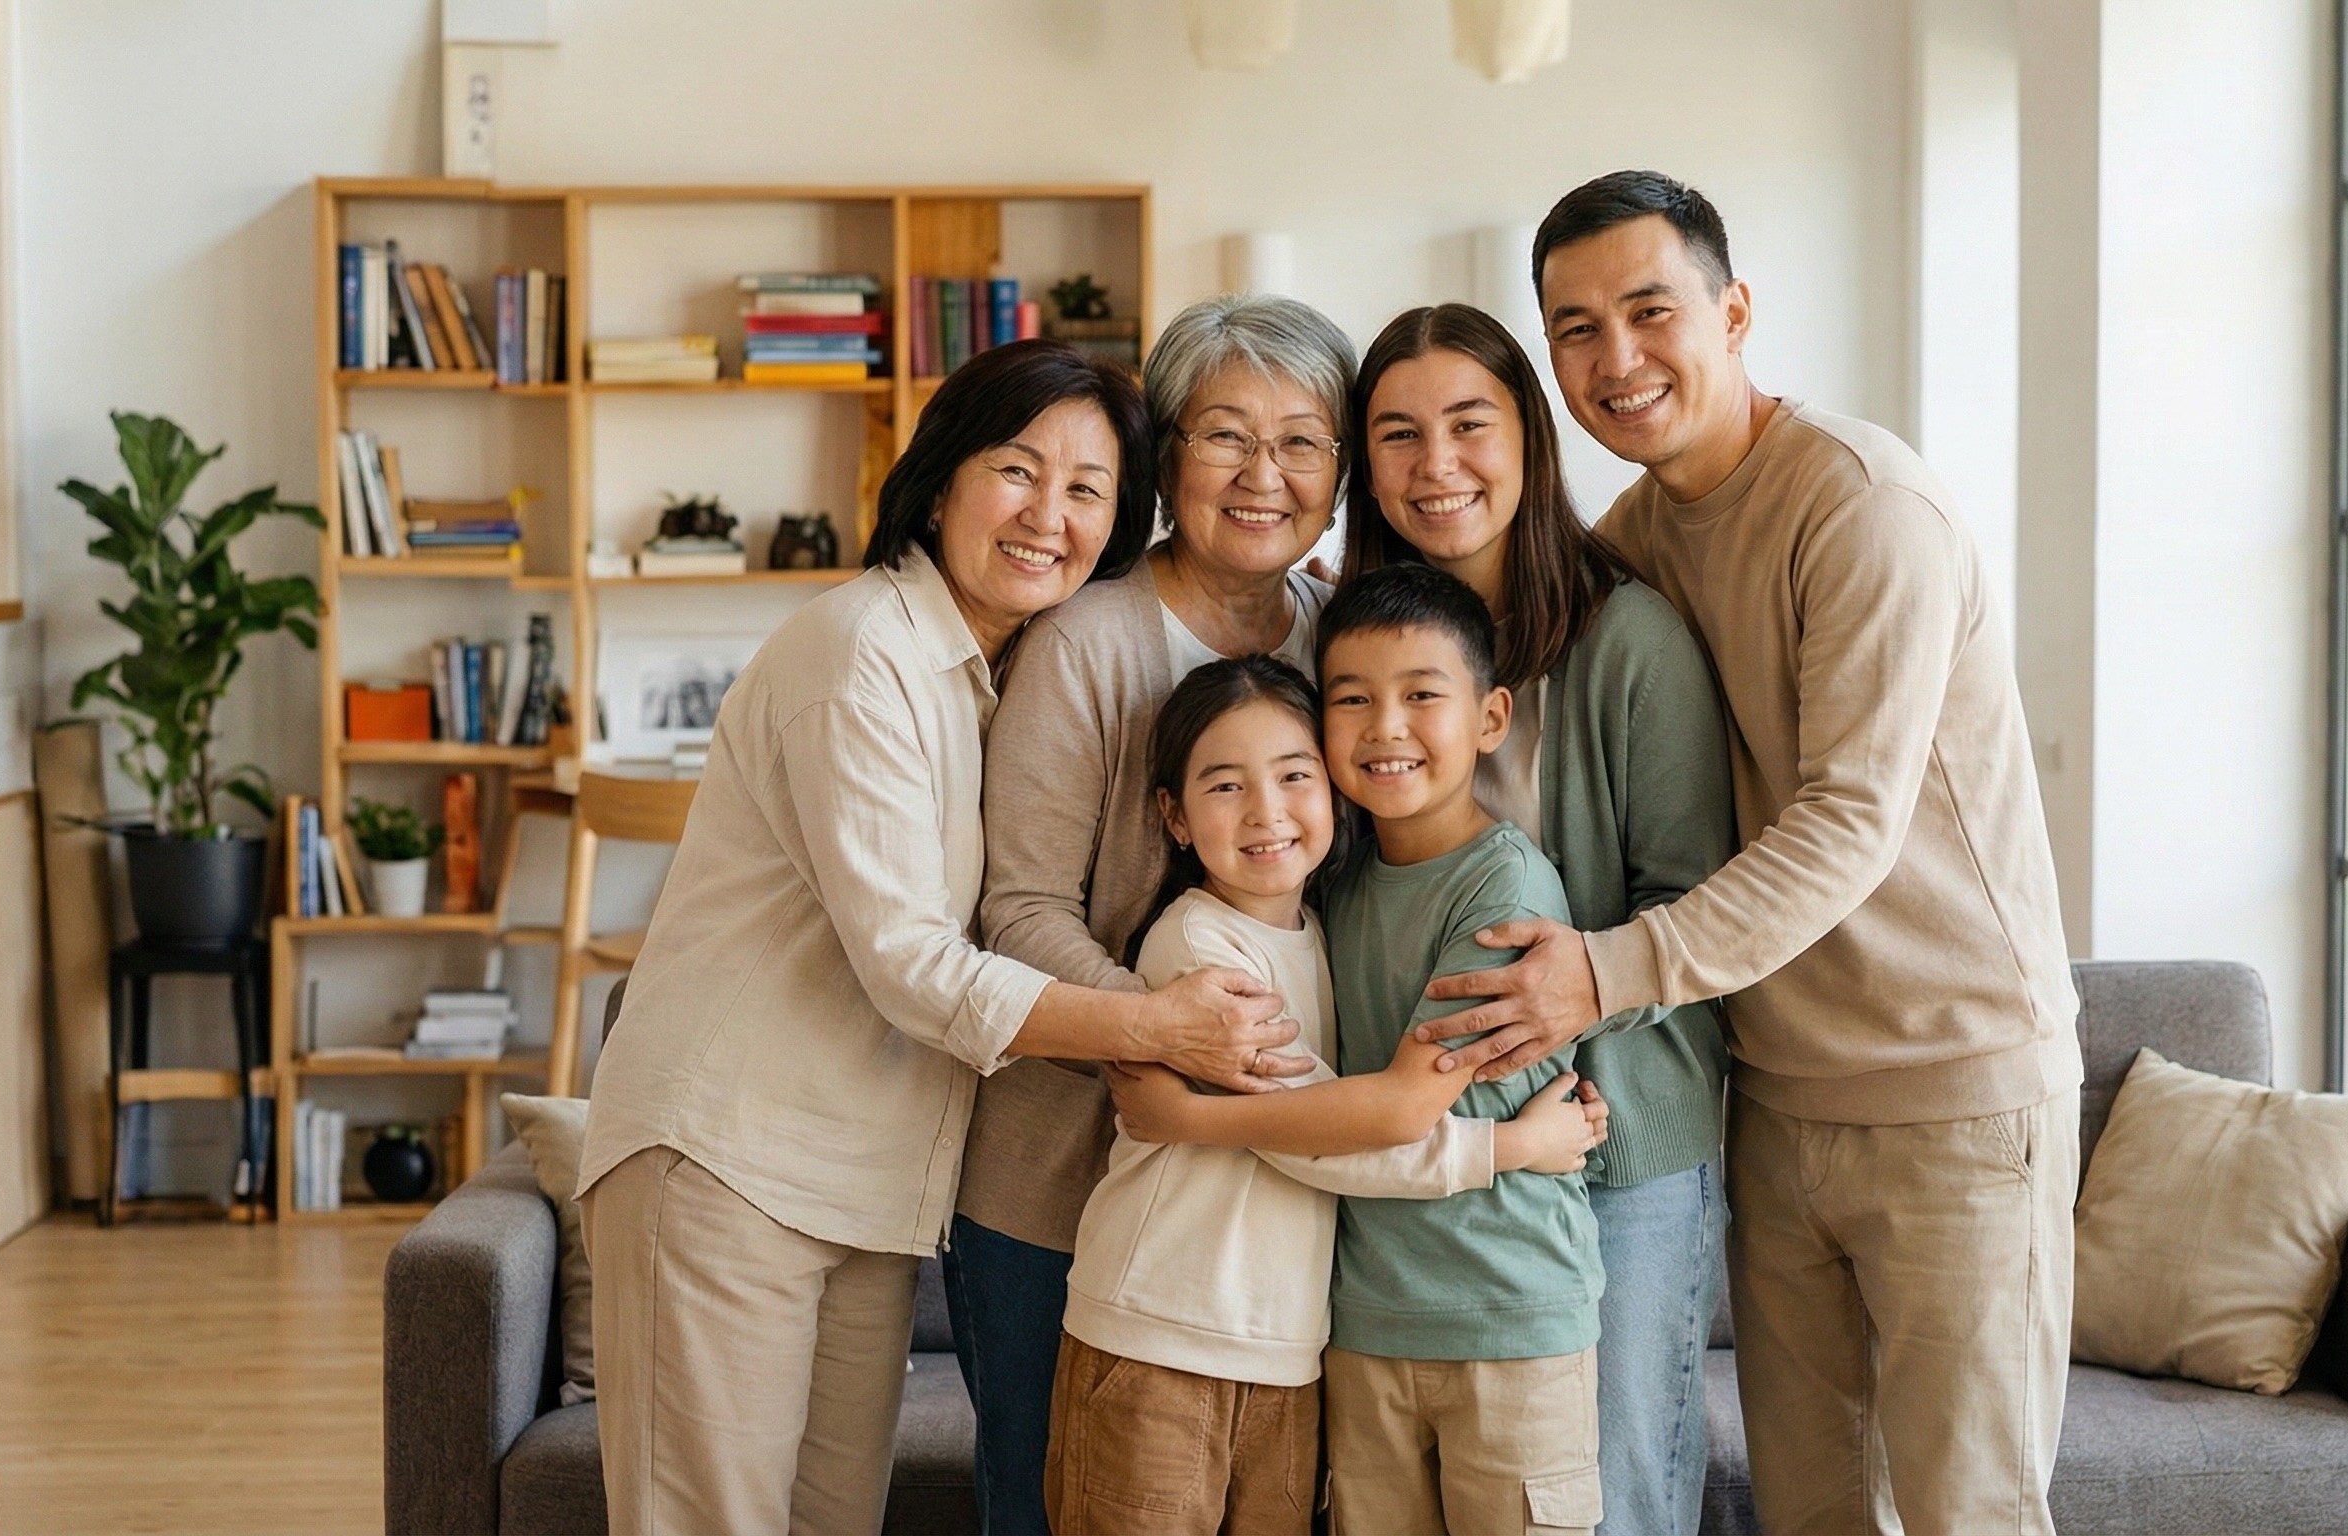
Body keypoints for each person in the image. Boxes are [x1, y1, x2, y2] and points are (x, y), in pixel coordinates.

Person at [1418, 170, 2086, 1534]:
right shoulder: (1635, 544)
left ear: (1733, 312)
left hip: (1952, 1089)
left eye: (1649, 311)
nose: (1617, 360)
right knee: (1811, 1509)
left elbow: (1847, 821)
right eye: (1576, 330)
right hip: (1774, 1103)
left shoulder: (1862, 507)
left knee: (1973, 1512)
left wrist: (1604, 974)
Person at [574, 340, 1304, 1536]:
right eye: (1018, 471)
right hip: (725, 1161)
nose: (1046, 516)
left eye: (1086, 492)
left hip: (866, 1189)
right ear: (942, 477)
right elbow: (911, 963)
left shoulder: (991, 673)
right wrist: (1159, 1025)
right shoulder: (859, 649)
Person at [962, 293, 1360, 1533]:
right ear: (1167, 457)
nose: (1263, 474)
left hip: (1260, 1219)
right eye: (1224, 435)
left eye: (1302, 441)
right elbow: (1016, 911)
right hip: (1059, 1188)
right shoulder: (1086, 639)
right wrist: (1173, 1032)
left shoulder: (1341, 636)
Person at [1050, 655, 1609, 1536]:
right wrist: (1510, 1149)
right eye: (1225, 786)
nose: (1267, 812)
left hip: (1285, 1355)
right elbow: (1320, 1136)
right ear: (1175, 818)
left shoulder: (1323, 926)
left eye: (1294, 777)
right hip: (1162, 1335)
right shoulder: (1201, 951)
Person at [1343, 301, 1736, 1536]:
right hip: (1405, 1164)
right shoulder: (1343, 644)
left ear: (1531, 440)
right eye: (1397, 435)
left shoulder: (1631, 640)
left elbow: (1697, 900)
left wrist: (1576, 1016)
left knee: (1607, 1505)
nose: (1436, 464)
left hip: (1611, 1152)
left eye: (1470, 424)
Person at [1313, 564, 1612, 1536]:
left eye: (1420, 697)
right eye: (1349, 699)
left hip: (1509, 1316)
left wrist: (1195, 1118)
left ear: (1489, 717)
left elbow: (1406, 1108)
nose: (1383, 727)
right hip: (1364, 1324)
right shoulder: (1333, 887)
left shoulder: (1503, 887)